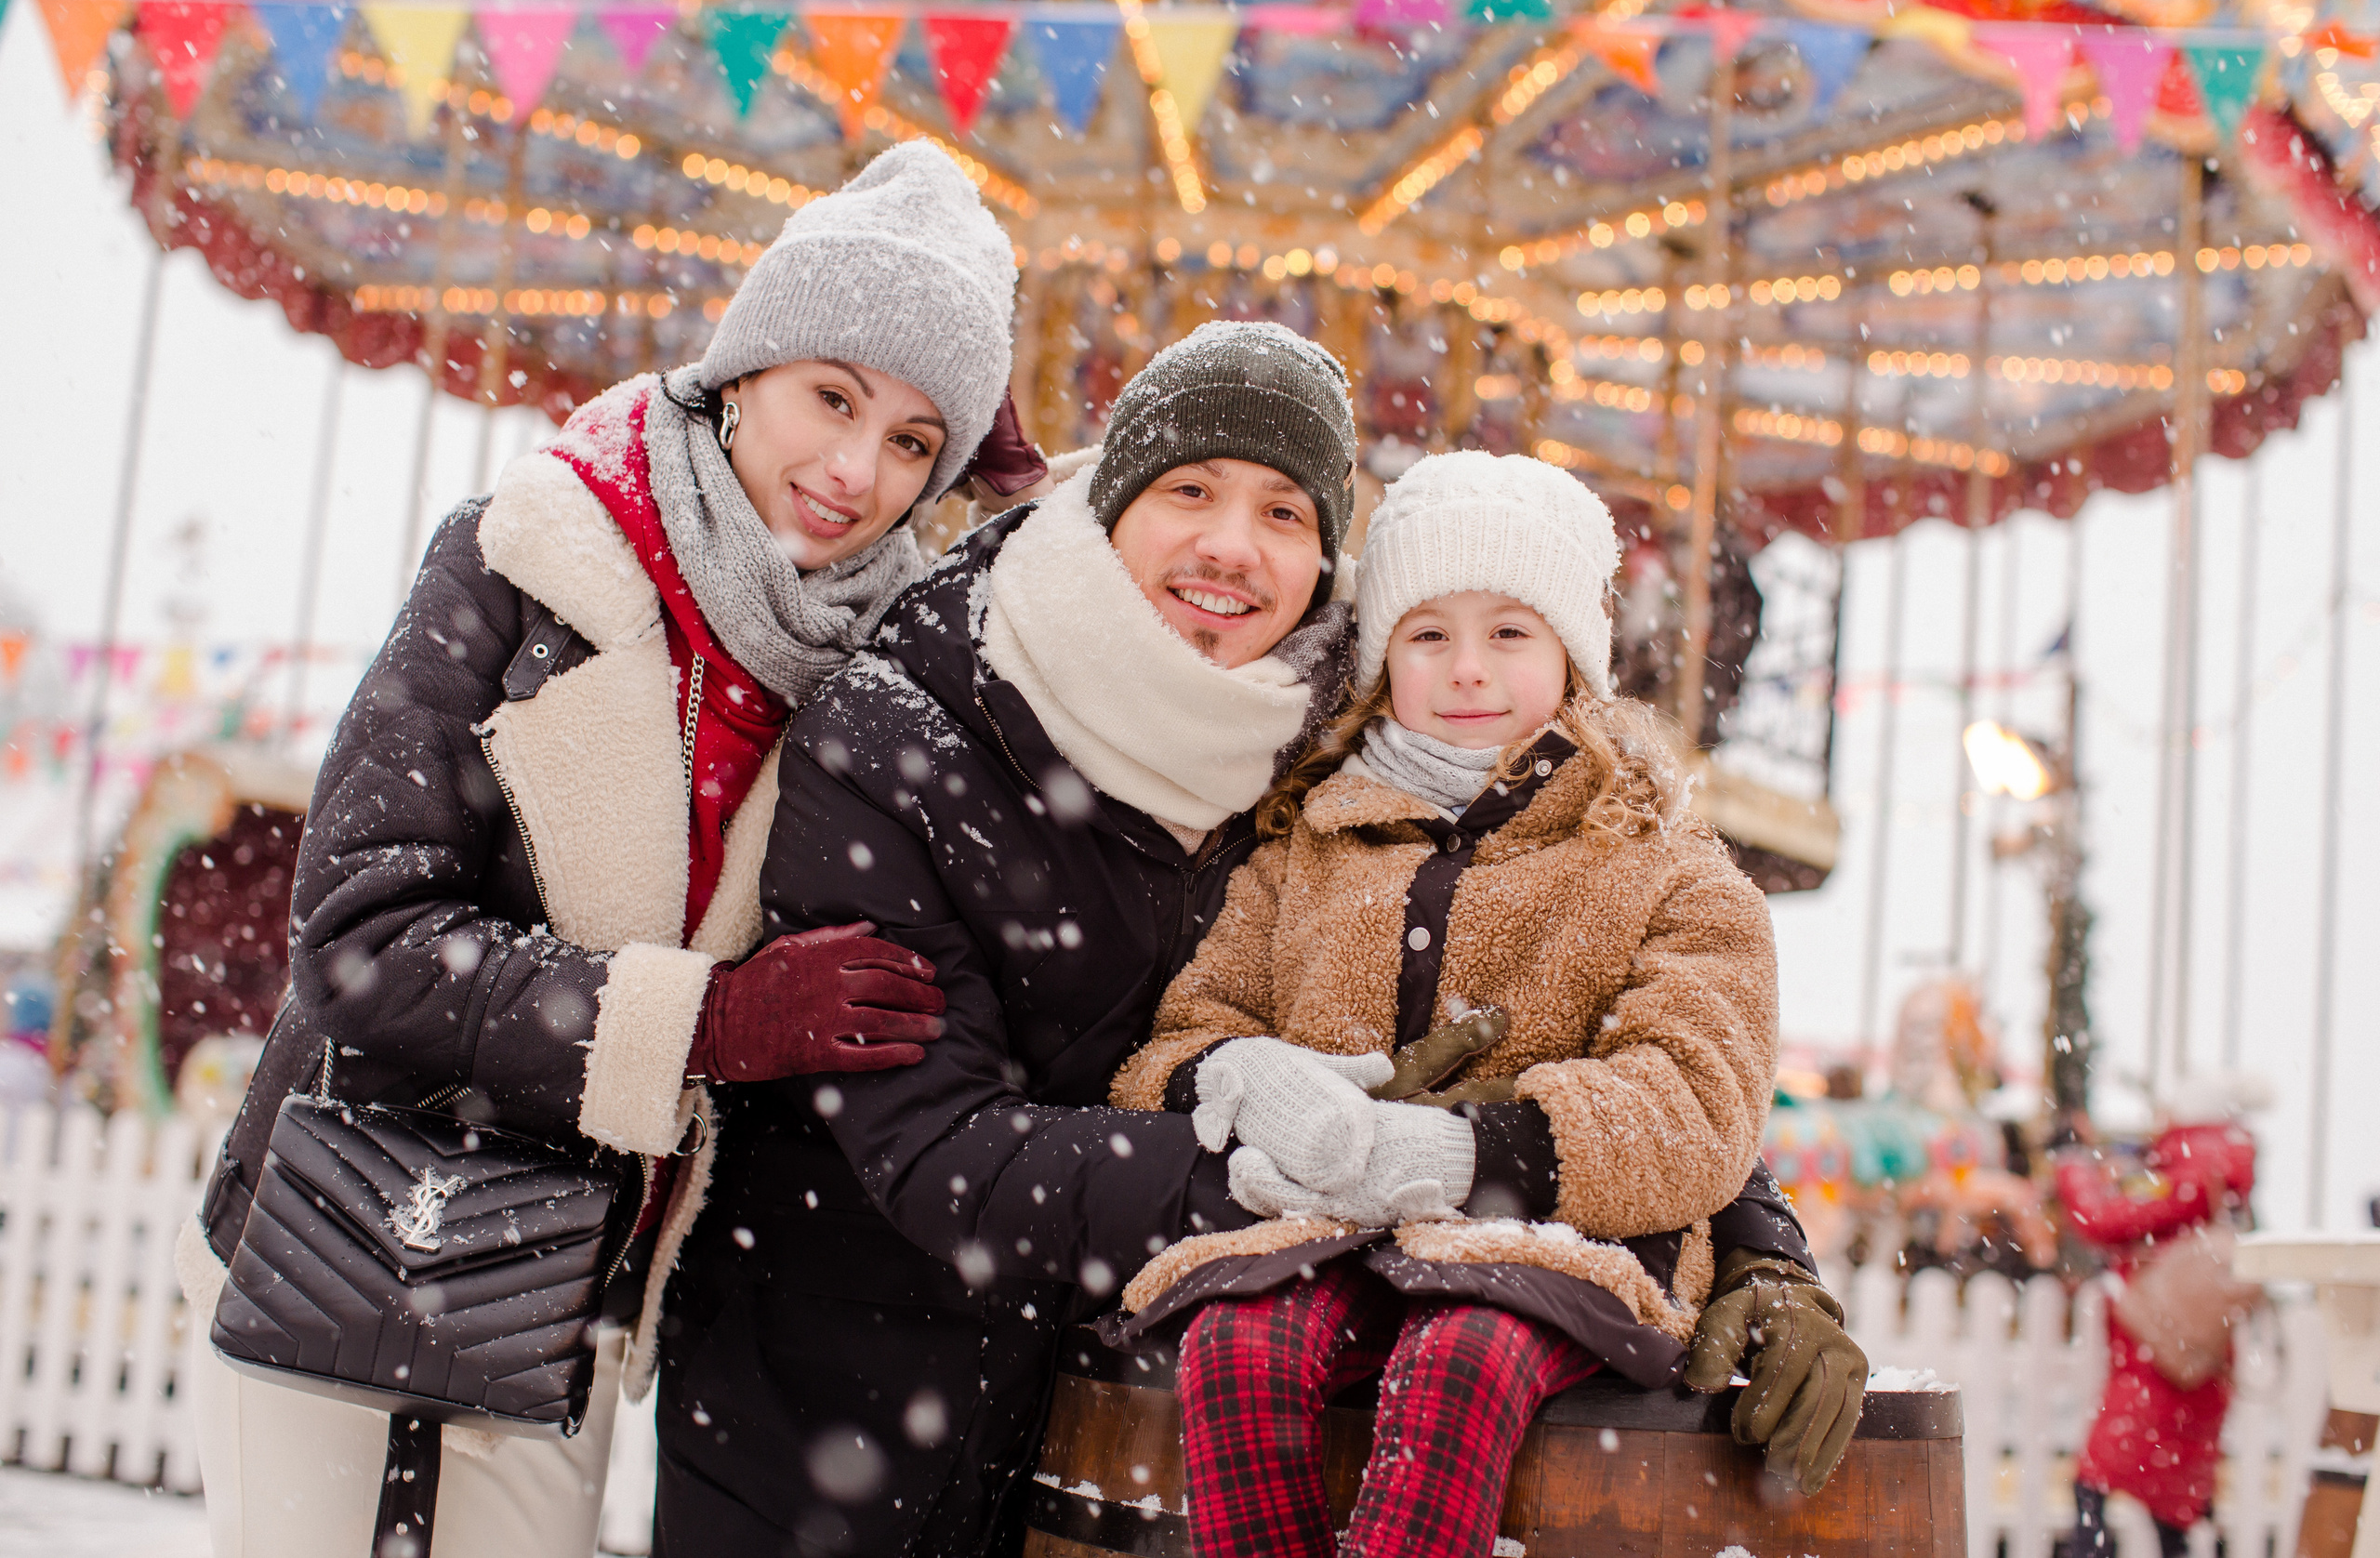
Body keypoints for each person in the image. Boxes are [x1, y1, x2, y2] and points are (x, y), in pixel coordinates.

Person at [665, 323, 1831, 1556]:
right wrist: (1254, 1127)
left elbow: (1652, 1050)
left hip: (1116, 1376)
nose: (1231, 545)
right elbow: (939, 1138)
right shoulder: (919, 729)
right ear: (1108, 500)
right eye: (1188, 490)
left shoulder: (1313, 745)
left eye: (1285, 511)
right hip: (856, 1356)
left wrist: (1762, 1262)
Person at [175, 141, 1023, 1557]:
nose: (857, 468)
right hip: (356, 1198)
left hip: (570, 1267)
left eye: (917, 439)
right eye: (833, 397)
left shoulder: (875, 678)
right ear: (745, 369)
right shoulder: (526, 562)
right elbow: (361, 937)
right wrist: (708, 1019)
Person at [1106, 450, 1866, 1557]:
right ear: (1383, 659)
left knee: (1464, 1357)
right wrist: (1233, 1078)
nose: (1468, 671)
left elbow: (1694, 1100)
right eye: (1428, 635)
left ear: (1573, 654)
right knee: (1234, 1349)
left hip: (1551, 1244)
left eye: (1510, 633)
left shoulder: (1666, 870)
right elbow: (1177, 1038)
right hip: (1318, 1230)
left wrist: (1478, 1154)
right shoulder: (1304, 846)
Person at [2058, 1076, 2266, 1558]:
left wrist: (2072, 1168)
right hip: (2193, 1361)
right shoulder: (2218, 1168)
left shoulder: (2189, 1166)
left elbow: (2104, 1218)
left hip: (2159, 1362)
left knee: (2097, 1484)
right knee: (2168, 1508)